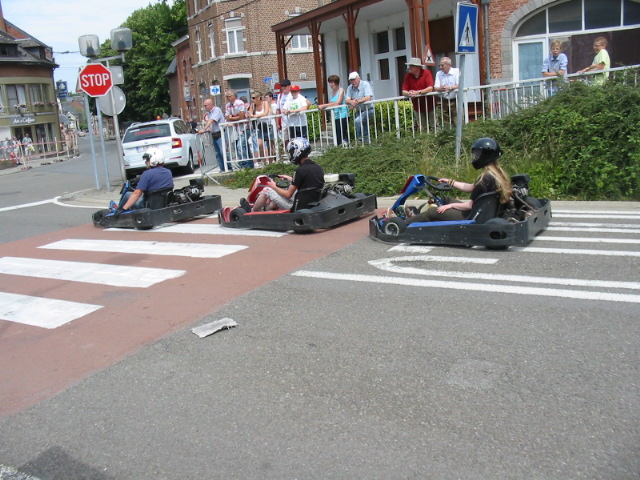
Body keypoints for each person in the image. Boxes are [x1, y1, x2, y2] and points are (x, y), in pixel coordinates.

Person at [405, 137, 512, 224]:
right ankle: (417, 217)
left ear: (485, 155)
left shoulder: (485, 179)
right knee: (445, 199)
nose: (476, 157)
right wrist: (450, 182)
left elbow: (469, 206)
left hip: (472, 216)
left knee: (432, 212)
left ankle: (404, 224)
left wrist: (451, 206)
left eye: (478, 154)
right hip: (482, 212)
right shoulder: (497, 175)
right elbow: (471, 187)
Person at [243, 137, 324, 212]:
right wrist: (290, 178)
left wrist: (273, 186)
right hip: (311, 203)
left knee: (266, 190)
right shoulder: (318, 168)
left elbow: (288, 195)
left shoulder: (300, 171)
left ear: (297, 152)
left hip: (295, 206)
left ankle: (252, 212)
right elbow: (306, 181)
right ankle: (268, 209)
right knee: (282, 190)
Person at [117, 147, 174, 212]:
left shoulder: (147, 174)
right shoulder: (168, 172)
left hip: (148, 206)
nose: (146, 162)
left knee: (128, 194)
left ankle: (118, 212)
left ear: (153, 159)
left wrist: (124, 208)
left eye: (147, 160)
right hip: (164, 204)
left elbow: (137, 194)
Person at [401, 57, 435, 131]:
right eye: (410, 65)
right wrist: (410, 93)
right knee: (422, 127)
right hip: (417, 106)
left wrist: (418, 92)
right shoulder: (408, 76)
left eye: (412, 66)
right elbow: (404, 91)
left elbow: (430, 88)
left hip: (430, 104)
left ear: (418, 67)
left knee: (434, 125)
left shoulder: (426, 73)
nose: (410, 67)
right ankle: (424, 142)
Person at [225, 89, 253, 169]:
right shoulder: (228, 105)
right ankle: (250, 165)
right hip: (236, 129)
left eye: (229, 96)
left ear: (234, 96)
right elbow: (227, 117)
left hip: (244, 127)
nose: (227, 98)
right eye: (226, 96)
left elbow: (241, 117)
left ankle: (245, 165)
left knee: (240, 146)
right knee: (244, 147)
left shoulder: (239, 103)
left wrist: (232, 117)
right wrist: (234, 117)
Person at [318, 74, 349, 146]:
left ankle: (345, 146)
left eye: (332, 83)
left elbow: (338, 102)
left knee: (342, 132)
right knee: (337, 134)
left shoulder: (341, 90)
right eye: (330, 83)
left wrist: (324, 105)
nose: (330, 84)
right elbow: (331, 103)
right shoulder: (332, 93)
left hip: (343, 115)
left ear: (336, 83)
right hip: (335, 116)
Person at [197, 98, 226, 172]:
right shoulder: (209, 113)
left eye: (205, 105)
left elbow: (212, 120)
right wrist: (208, 129)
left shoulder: (216, 110)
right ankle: (222, 168)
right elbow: (210, 122)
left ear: (210, 105)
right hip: (214, 134)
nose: (204, 107)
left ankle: (228, 167)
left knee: (223, 152)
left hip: (220, 133)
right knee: (217, 153)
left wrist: (204, 128)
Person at [345, 71, 374, 142]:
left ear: (358, 79)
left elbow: (368, 97)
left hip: (368, 109)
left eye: (354, 80)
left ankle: (360, 139)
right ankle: (366, 143)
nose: (352, 82)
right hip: (359, 110)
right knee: (364, 127)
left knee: (357, 121)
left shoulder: (365, 84)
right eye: (351, 80)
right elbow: (347, 99)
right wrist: (352, 102)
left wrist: (356, 101)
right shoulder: (350, 88)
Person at [434, 57, 460, 128]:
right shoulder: (439, 74)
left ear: (449, 65)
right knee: (445, 123)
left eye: (442, 65)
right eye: (440, 65)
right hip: (444, 101)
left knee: (457, 121)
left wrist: (450, 87)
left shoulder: (456, 71)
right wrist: (440, 88)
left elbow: (459, 85)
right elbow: (435, 87)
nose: (440, 67)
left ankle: (460, 137)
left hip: (455, 100)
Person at [248, 91, 273, 162]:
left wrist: (255, 116)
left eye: (253, 98)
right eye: (251, 98)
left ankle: (271, 163)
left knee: (270, 145)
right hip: (260, 126)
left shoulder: (265, 103)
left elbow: (265, 113)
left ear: (259, 98)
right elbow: (250, 114)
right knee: (260, 145)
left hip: (268, 125)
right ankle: (264, 162)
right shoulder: (253, 105)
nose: (252, 99)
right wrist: (250, 115)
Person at [276, 79, 293, 147]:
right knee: (285, 139)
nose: (283, 87)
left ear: (289, 86)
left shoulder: (292, 95)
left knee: (293, 138)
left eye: (284, 86)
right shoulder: (279, 96)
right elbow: (278, 110)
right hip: (284, 122)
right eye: (282, 86)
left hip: (292, 121)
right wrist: (277, 123)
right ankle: (288, 152)